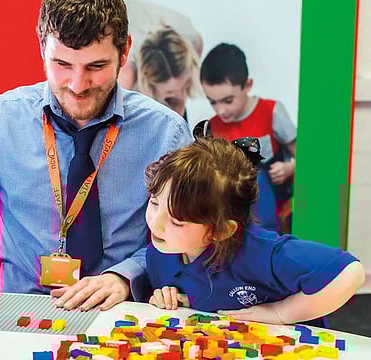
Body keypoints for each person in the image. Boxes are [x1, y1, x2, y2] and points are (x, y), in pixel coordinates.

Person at [0, 0, 192, 319]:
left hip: (124, 314)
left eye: (96, 67)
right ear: (42, 47)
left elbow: (190, 235)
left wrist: (125, 276)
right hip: (21, 313)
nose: (77, 85)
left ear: (124, 52)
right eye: (62, 64)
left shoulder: (166, 132)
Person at [144, 137, 365, 326]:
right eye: (154, 203)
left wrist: (281, 313)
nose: (155, 223)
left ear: (222, 230)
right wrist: (166, 295)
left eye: (177, 221)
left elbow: (350, 273)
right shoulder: (161, 248)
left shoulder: (262, 253)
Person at [196, 43, 296, 232]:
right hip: (232, 212)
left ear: (247, 85)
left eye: (228, 101)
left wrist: (290, 168)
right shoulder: (213, 126)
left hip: (272, 207)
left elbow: (303, 156)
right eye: (213, 102)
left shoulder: (271, 111)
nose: (221, 110)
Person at [118, 0, 203, 120]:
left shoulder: (192, 38)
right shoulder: (126, 73)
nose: (178, 93)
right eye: (169, 94)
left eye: (184, 85)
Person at [134, 27, 202, 120]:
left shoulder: (195, 42)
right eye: (170, 92)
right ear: (149, 81)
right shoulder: (128, 85)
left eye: (184, 86)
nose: (180, 95)